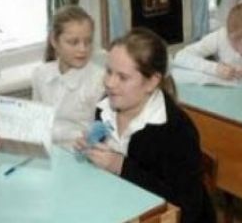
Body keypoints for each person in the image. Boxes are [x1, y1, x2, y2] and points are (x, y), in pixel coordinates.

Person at [75, 28, 215, 223]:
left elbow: (186, 207)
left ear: (151, 82)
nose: (110, 83)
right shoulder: (106, 105)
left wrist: (121, 167)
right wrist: (90, 149)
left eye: (123, 77)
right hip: (121, 209)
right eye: (109, 71)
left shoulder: (177, 131)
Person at [31, 5, 105, 146]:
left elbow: (104, 134)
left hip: (80, 152)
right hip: (46, 149)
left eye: (88, 41)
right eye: (73, 42)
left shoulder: (100, 81)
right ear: (54, 41)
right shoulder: (40, 74)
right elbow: (36, 121)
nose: (82, 49)